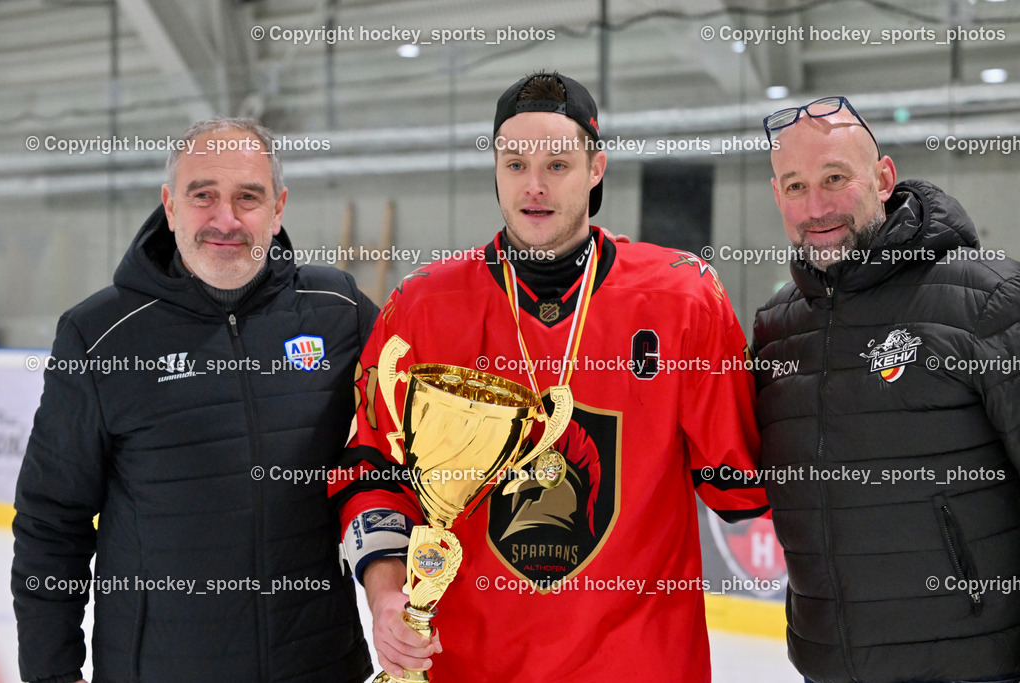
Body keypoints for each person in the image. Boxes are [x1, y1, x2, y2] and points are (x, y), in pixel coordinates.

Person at [329, 71, 769, 682]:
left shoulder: (683, 299)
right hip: (468, 666)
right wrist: (384, 598)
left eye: (558, 164)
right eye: (514, 164)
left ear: (596, 169)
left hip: (639, 667)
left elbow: (741, 484)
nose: (533, 186)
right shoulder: (423, 307)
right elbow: (370, 469)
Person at [12, 118, 377, 683]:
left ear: (278, 207)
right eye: (202, 195)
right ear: (171, 205)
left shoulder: (338, 309)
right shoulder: (100, 335)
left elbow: (405, 447)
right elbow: (51, 524)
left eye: (247, 197)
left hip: (321, 663)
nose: (225, 219)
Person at [752, 96, 1020, 683]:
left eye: (834, 178)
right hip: (828, 666)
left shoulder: (989, 300)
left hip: (975, 666)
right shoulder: (776, 329)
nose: (816, 206)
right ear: (777, 198)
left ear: (883, 178)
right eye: (795, 186)